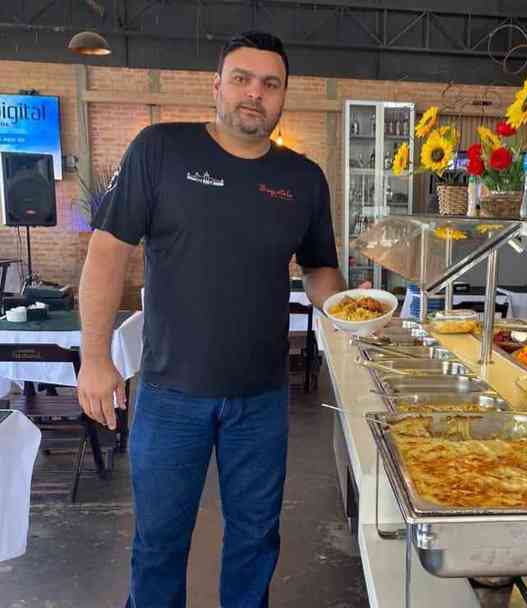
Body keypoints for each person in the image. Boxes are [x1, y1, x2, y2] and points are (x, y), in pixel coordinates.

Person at [77, 31, 350, 608]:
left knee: (255, 541)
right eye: (243, 79)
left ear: (283, 98)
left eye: (270, 84)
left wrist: (355, 314)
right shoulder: (160, 150)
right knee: (158, 544)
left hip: (261, 399)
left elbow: (321, 271)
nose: (256, 93)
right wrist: (96, 359)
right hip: (171, 394)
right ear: (217, 86)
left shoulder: (303, 180)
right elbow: (106, 253)